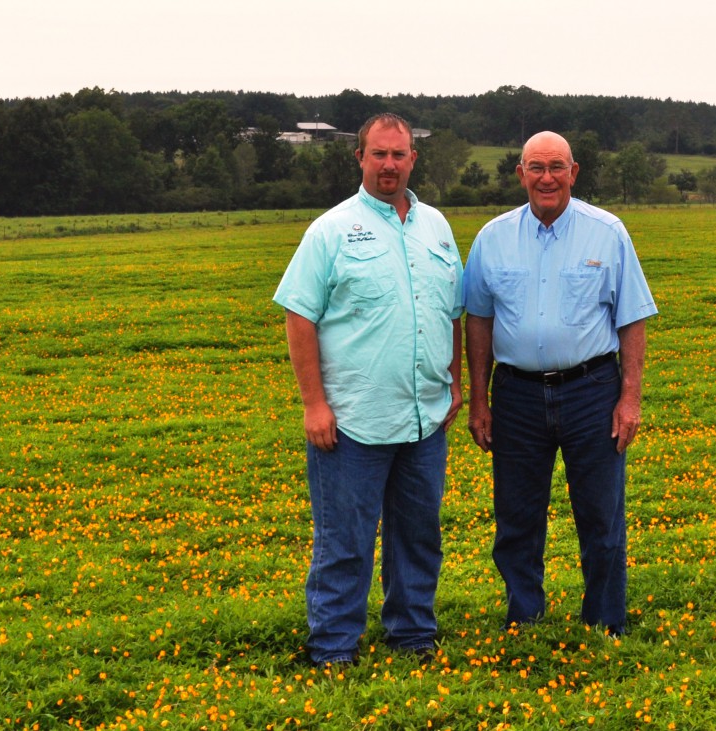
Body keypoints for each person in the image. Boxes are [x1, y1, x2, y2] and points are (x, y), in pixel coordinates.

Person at [273, 113, 463, 667]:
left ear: (413, 159)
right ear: (359, 158)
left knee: (419, 536)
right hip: (353, 419)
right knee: (345, 541)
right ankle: (332, 648)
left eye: (398, 154)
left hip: (424, 417)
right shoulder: (331, 230)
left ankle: (412, 636)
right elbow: (299, 317)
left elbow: (450, 308)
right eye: (378, 154)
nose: (389, 165)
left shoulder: (436, 227)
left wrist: (453, 381)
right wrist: (314, 404)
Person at [463, 131, 657, 636]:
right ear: (520, 174)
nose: (546, 177)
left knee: (601, 518)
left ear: (574, 172)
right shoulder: (492, 237)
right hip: (517, 396)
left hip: (592, 391)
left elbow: (632, 319)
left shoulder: (608, 232)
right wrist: (479, 401)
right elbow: (478, 321)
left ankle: (604, 623)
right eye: (535, 167)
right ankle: (524, 617)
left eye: (556, 166)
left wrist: (629, 398)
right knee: (517, 519)